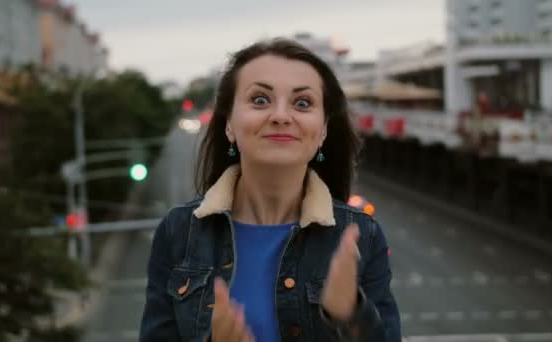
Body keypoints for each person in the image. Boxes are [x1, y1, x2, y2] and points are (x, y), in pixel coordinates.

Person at [139, 38, 401, 341]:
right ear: (229, 125)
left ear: (324, 129)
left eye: (302, 103)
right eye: (260, 100)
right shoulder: (178, 231)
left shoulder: (362, 234)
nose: (280, 115)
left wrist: (352, 315)